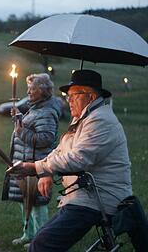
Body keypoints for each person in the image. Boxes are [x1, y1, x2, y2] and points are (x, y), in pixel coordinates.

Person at [7, 69, 133, 251]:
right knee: (40, 242)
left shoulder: (100, 121)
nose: (68, 100)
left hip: (98, 199)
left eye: (74, 95)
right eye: (68, 96)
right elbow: (61, 150)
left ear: (89, 97)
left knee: (42, 244)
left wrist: (35, 167)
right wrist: (46, 171)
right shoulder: (86, 118)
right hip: (85, 196)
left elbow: (78, 158)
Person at [7, 73, 62, 247]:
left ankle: (41, 240)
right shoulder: (37, 108)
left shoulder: (46, 111)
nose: (28, 92)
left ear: (43, 91)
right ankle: (28, 234)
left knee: (37, 205)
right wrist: (19, 118)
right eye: (28, 88)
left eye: (32, 89)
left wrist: (21, 132)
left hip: (37, 166)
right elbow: (31, 127)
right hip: (26, 164)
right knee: (26, 201)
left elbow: (45, 138)